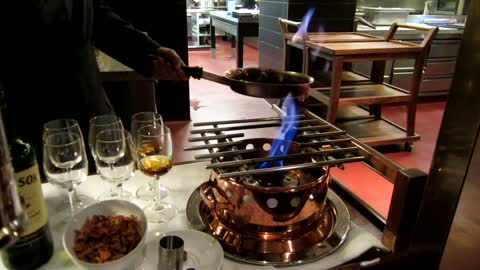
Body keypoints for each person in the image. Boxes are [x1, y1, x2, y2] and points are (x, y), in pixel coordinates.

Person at [0, 1, 188, 171]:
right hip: (37, 117)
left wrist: (150, 53)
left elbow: (98, 18)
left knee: (114, 187)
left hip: (95, 109)